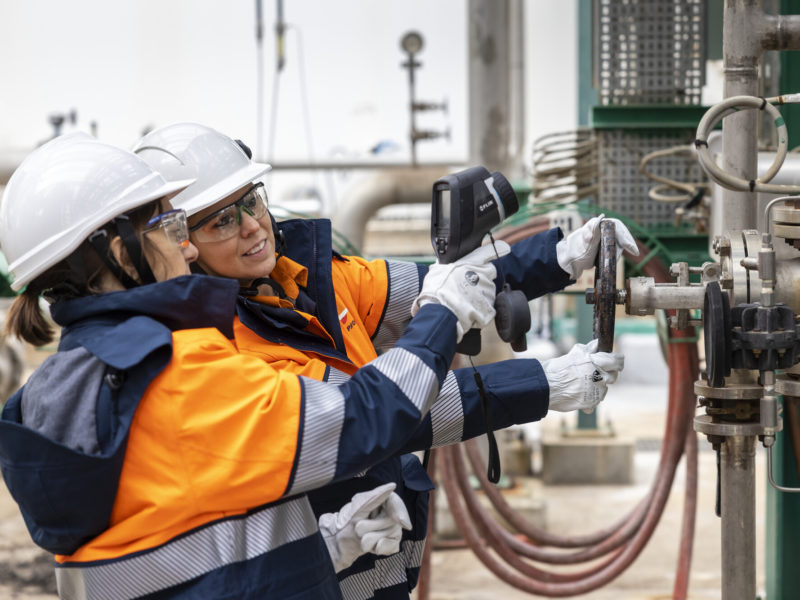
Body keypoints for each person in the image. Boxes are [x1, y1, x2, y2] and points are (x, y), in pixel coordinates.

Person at [133, 123, 636, 599]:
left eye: (250, 201)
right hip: (313, 580)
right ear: (185, 244)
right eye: (222, 220)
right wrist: (543, 383)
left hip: (379, 566)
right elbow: (377, 414)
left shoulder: (311, 277)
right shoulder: (220, 348)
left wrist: (565, 257)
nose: (251, 226)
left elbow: (450, 286)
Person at [0, 133, 503, 600]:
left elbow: (169, 559)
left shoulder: (58, 385)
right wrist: (443, 313)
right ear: (120, 253)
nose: (188, 246)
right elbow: (365, 419)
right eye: (169, 226)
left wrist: (322, 553)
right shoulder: (174, 371)